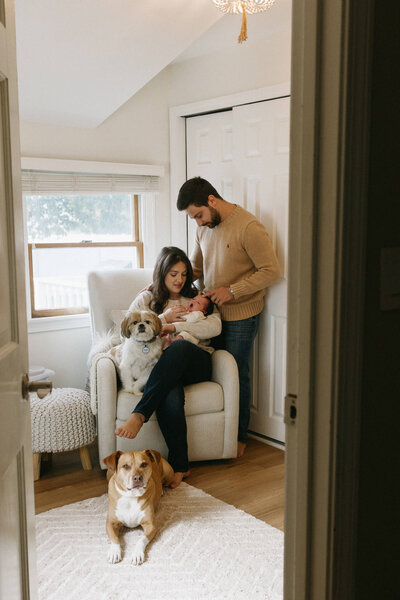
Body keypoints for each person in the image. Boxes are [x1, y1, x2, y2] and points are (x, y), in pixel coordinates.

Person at [177, 176, 280, 458]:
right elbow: (195, 269)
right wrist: (165, 281)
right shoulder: (204, 230)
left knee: (235, 375)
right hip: (210, 316)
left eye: (198, 215)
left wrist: (233, 291)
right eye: (193, 218)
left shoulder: (248, 227)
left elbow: (271, 270)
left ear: (212, 200)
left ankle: (238, 437)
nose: (197, 223)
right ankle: (217, 437)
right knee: (213, 373)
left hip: (241, 316)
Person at [115, 246, 221, 488]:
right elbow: (126, 331)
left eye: (184, 274)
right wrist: (163, 318)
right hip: (163, 371)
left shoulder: (197, 296)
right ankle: (180, 466)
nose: (179, 280)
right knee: (169, 391)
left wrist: (174, 328)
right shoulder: (147, 298)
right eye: (173, 274)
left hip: (196, 362)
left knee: (178, 348)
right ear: (162, 272)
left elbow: (214, 328)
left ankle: (139, 415)